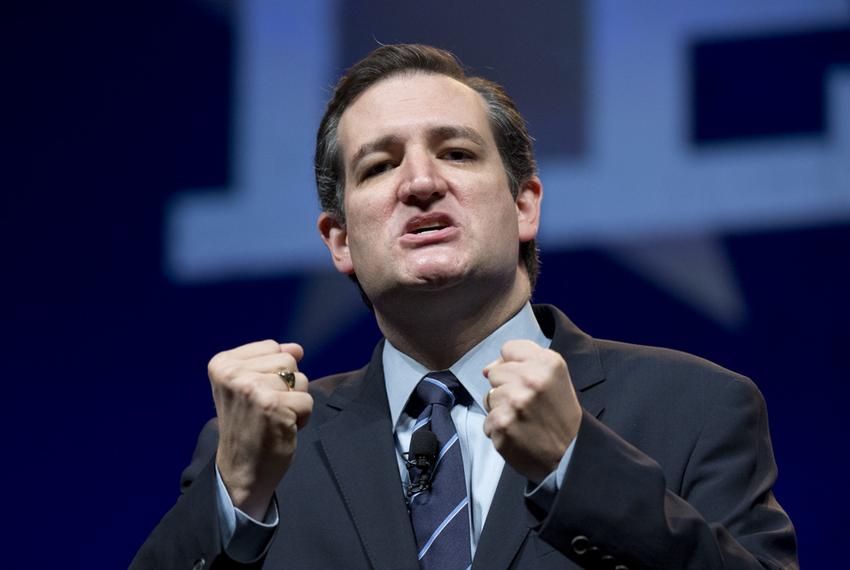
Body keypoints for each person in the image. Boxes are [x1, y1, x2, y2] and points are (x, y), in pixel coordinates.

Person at [132, 44, 797, 569]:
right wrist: (235, 499)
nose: (421, 182)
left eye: (456, 152)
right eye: (379, 166)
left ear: (524, 204)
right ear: (339, 241)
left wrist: (577, 468)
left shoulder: (695, 408)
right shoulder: (262, 450)